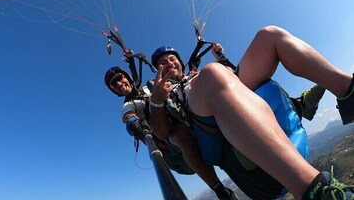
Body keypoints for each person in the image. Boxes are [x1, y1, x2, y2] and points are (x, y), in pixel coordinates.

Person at [149, 25, 353, 200]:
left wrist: (220, 57)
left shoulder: (196, 75)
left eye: (172, 58)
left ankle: (347, 92)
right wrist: (157, 101)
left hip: (223, 88)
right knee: (213, 73)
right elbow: (163, 133)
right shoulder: (160, 95)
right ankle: (315, 191)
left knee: (269, 36)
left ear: (180, 62)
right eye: (162, 63)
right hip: (202, 125)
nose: (168, 63)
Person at [104, 66, 239, 200]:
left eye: (118, 79)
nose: (118, 84)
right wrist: (133, 122)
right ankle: (220, 190)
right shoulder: (129, 104)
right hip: (169, 145)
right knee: (180, 135)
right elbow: (128, 115)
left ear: (127, 77)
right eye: (113, 85)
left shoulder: (150, 87)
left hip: (187, 120)